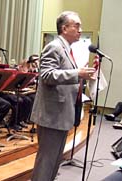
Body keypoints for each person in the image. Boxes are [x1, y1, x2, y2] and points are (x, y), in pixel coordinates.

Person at [30, 11, 96, 181]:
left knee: (54, 161)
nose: (80, 30)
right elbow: (47, 75)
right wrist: (77, 73)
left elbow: (62, 74)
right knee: (46, 161)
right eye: (77, 26)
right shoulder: (54, 47)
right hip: (52, 115)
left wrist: (80, 74)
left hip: (60, 114)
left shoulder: (66, 48)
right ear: (64, 28)